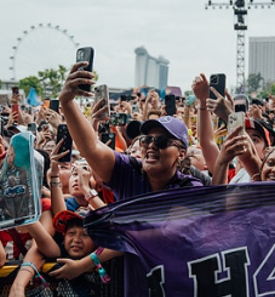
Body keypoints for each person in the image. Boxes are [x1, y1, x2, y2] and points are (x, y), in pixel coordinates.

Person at [58, 63, 202, 200]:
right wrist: (67, 102)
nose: (151, 146)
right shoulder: (128, 172)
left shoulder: (190, 190)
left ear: (181, 154)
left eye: (162, 141)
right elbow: (91, 147)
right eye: (147, 140)